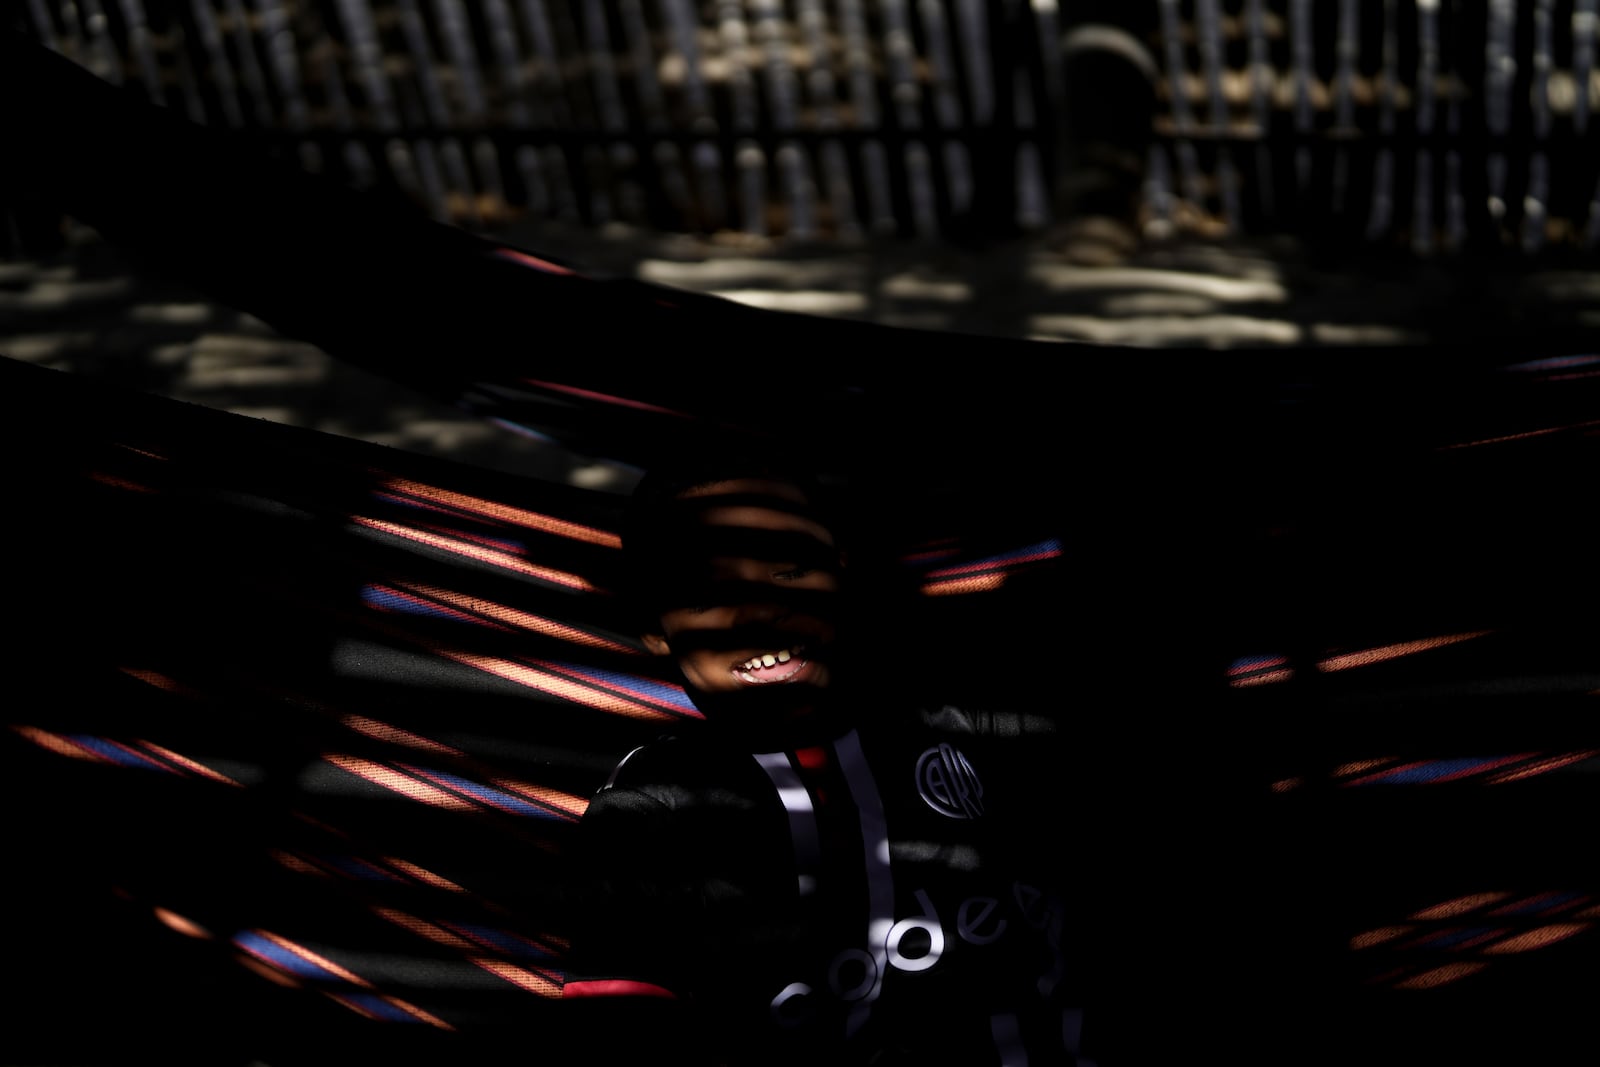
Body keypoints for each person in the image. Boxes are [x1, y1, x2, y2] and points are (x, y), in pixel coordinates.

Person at [562, 447, 1088, 1065]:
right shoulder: (657, 806)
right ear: (654, 627)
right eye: (708, 592)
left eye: (789, 571)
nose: (759, 611)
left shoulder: (969, 718)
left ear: (844, 572)